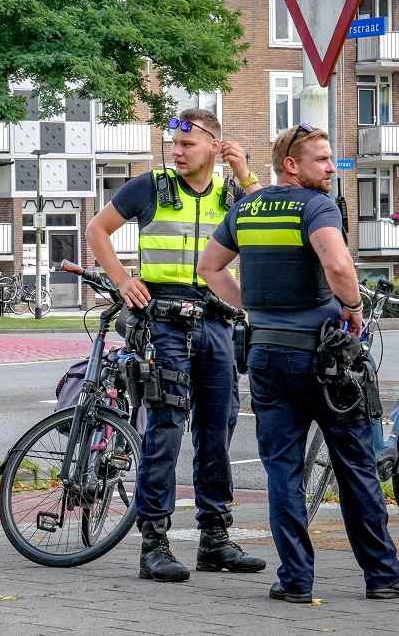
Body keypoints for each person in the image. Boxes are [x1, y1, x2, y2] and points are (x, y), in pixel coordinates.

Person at [197, 123, 399, 602]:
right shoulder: (317, 206)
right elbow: (338, 266)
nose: (331, 167)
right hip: (324, 360)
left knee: (283, 471)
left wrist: (249, 308)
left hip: (265, 353)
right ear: (291, 165)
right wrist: (354, 308)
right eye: (322, 159)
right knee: (355, 465)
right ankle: (383, 576)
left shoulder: (247, 207)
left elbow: (209, 267)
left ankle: (295, 580)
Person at [85, 107, 266, 582]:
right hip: (164, 321)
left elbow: (270, 226)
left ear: (214, 145)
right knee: (165, 429)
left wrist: (245, 173)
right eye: (175, 144)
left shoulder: (233, 192)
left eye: (187, 144)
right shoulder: (150, 186)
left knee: (217, 429)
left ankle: (215, 539)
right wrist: (122, 279)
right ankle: (155, 544)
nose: (178, 152)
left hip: (219, 321)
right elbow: (96, 230)